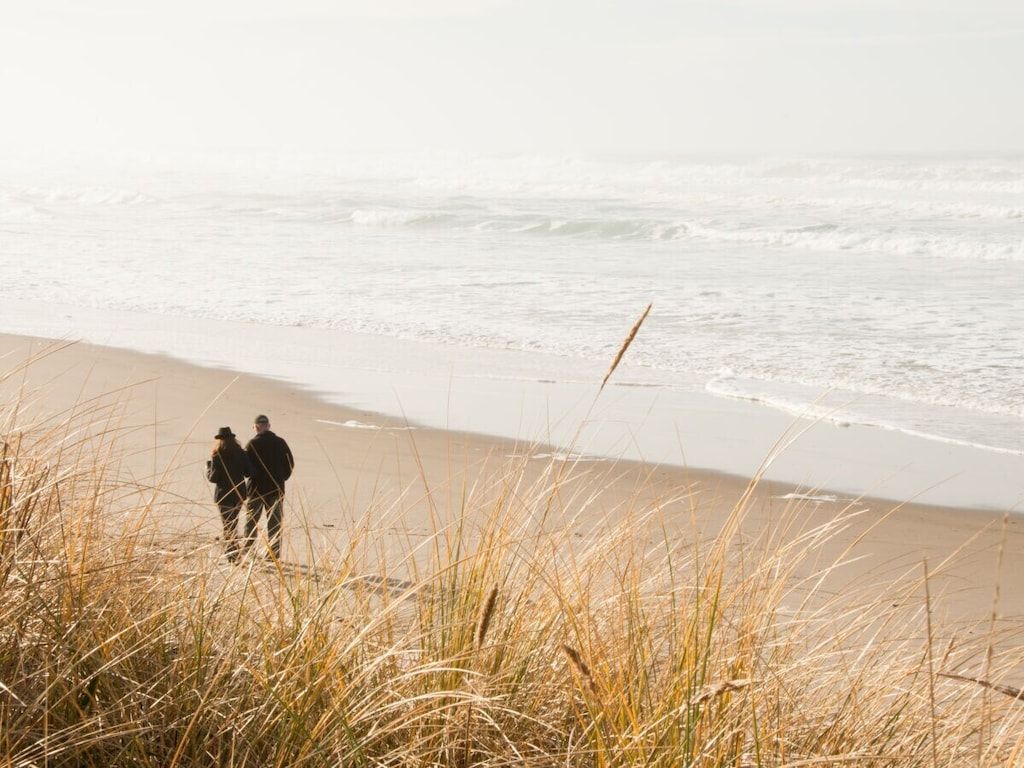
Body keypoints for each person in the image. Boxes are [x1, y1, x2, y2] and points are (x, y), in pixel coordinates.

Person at [244, 414, 294, 559]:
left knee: (251, 521)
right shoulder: (280, 442)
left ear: (256, 427)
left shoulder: (252, 444)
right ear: (269, 426)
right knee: (275, 523)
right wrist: (282, 478)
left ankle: (248, 550)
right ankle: (273, 553)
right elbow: (290, 464)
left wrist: (251, 475)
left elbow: (246, 468)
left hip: (256, 489)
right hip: (276, 488)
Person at [205, 426, 252, 562]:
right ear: (233, 439)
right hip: (238, 494)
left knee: (228, 524)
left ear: (220, 440)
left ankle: (232, 553)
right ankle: (232, 552)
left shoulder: (217, 455)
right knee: (233, 522)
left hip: (223, 495)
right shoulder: (241, 453)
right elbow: (248, 472)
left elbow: (213, 478)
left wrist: (208, 468)